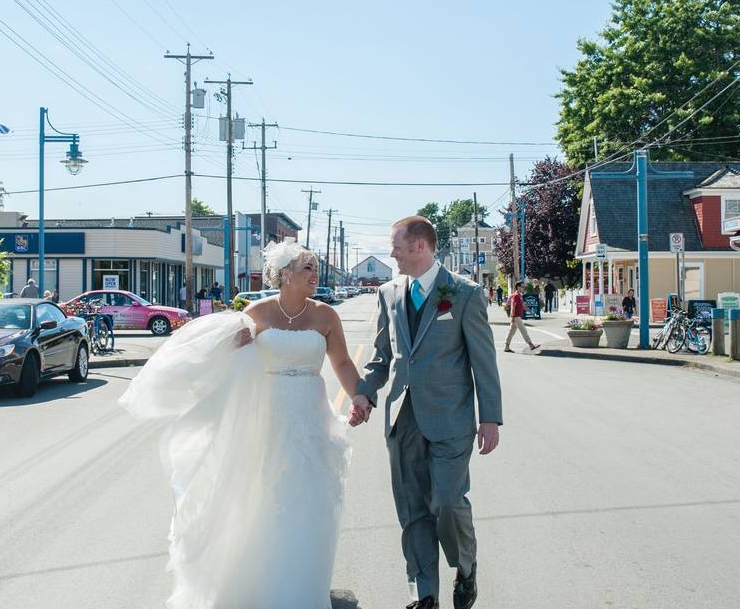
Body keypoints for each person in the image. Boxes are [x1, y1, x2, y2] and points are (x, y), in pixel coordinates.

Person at [119, 240, 360, 607]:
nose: (315, 274)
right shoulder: (257, 313)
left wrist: (359, 395)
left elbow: (342, 362)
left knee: (310, 502)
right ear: (285, 275)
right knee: (264, 501)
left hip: (311, 419)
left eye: (314, 267)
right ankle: (262, 584)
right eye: (307, 268)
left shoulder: (326, 316)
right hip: (266, 419)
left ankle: (304, 587)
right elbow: (226, 359)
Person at [350, 215, 502, 609]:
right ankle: (424, 592)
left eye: (396, 246)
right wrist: (365, 394)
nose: (392, 253)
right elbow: (382, 356)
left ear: (420, 245)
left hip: (451, 417)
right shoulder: (389, 292)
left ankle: (465, 567)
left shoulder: (464, 294)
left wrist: (490, 417)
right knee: (413, 509)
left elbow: (483, 361)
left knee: (448, 502)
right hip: (403, 417)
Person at [504, 281, 540, 353]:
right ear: (518, 287)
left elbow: (523, 306)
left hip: (516, 316)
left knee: (511, 332)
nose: (523, 288)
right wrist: (513, 316)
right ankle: (531, 345)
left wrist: (531, 312)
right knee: (523, 330)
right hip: (516, 316)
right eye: (522, 286)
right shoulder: (516, 295)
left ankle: (506, 347)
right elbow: (513, 306)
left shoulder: (519, 295)